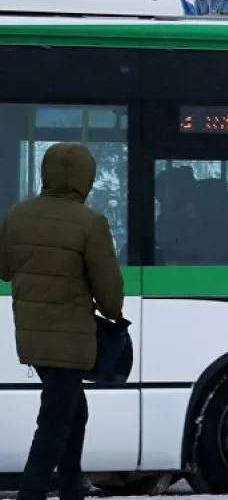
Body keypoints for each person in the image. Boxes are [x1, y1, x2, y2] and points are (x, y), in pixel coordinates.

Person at [0, 143, 125, 500]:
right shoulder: (90, 223)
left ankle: (72, 488)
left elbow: (4, 270)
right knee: (54, 423)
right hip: (70, 340)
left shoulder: (18, 215)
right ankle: (32, 493)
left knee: (74, 412)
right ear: (86, 178)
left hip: (33, 338)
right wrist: (113, 314)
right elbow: (110, 295)